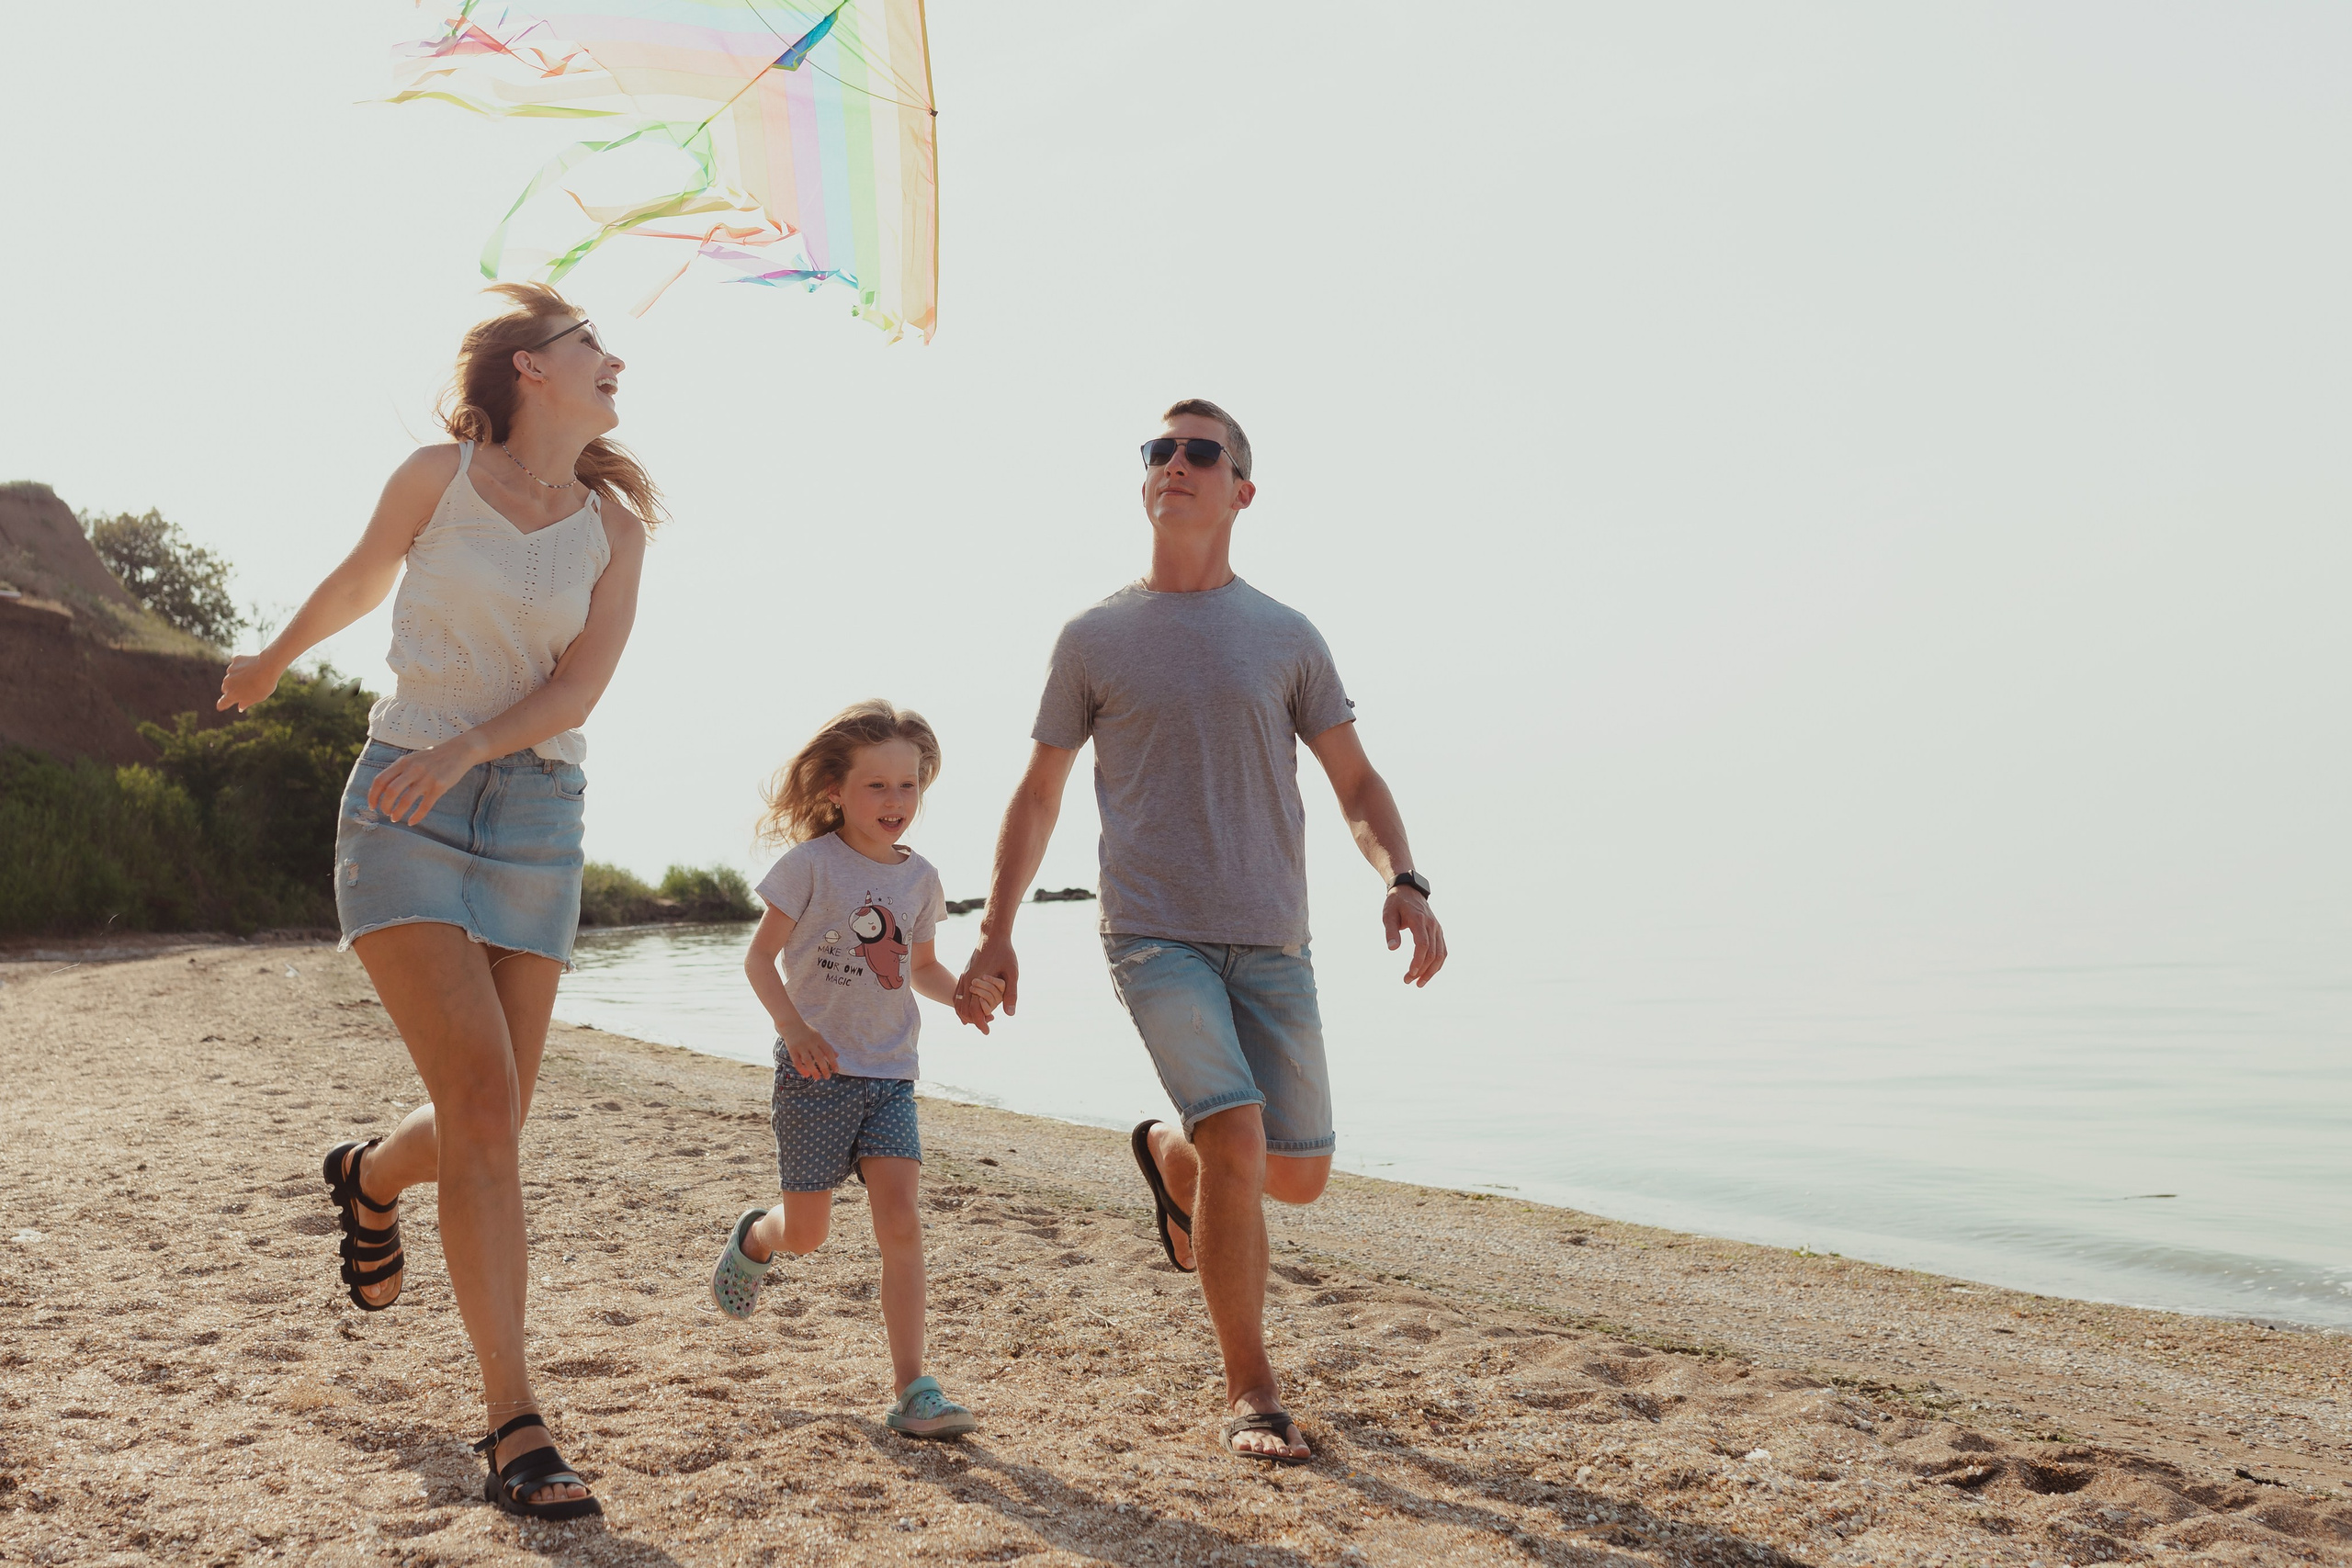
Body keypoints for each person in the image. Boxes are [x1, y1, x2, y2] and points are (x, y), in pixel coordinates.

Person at [219, 283, 654, 1520]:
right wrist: (276, 656)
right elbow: (364, 578)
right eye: (591, 347)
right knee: (478, 1098)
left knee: (492, 1113)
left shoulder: (617, 528)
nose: (614, 361)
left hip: (535, 820)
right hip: (402, 801)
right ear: (529, 369)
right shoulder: (438, 475)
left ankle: (369, 1173)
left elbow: (577, 689)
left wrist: (477, 754)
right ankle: (516, 1420)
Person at [954, 399, 1447, 1465]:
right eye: (1158, 450)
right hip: (1153, 934)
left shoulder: (1285, 635)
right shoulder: (1093, 637)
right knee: (1239, 1135)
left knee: (1296, 1170)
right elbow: (1037, 795)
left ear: (1241, 491)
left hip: (1272, 935)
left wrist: (1402, 878)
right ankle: (1252, 1391)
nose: (1174, 463)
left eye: (1199, 451)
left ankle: (1167, 1161)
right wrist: (996, 932)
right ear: (1146, 483)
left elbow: (1353, 779)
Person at [706, 701, 998, 1438]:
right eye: (877, 787)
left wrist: (960, 990)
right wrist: (794, 1028)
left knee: (900, 1219)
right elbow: (757, 957)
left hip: (892, 1073)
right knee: (808, 1233)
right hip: (816, 1073)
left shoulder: (922, 878)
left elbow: (920, 966)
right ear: (836, 789)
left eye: (909, 786)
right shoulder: (809, 866)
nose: (895, 802)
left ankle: (913, 1390)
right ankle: (757, 1238)